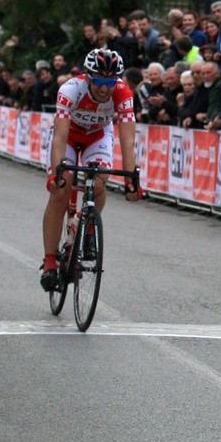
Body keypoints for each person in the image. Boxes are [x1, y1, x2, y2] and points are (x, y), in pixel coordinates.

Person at [39, 49, 141, 291]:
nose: (104, 89)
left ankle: (87, 226)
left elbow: (127, 141)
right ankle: (50, 261)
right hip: (70, 136)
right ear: (88, 77)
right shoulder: (70, 89)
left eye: (109, 82)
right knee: (61, 190)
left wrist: (132, 182)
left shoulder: (123, 92)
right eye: (98, 81)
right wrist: (57, 174)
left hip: (98, 135)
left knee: (98, 181)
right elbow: (60, 137)